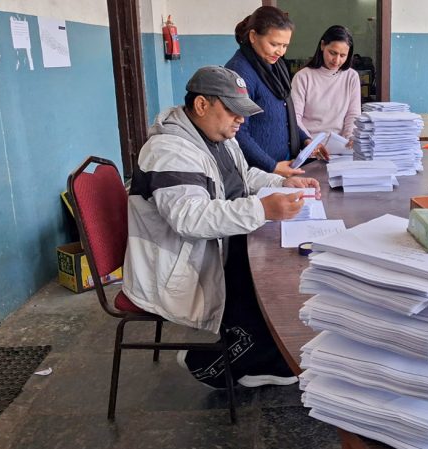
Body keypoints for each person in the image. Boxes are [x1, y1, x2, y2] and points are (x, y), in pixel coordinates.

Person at [123, 65, 320, 388]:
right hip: (180, 262)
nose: (241, 121)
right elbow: (190, 218)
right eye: (233, 111)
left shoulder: (218, 135)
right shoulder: (169, 150)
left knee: (275, 269)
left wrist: (284, 182)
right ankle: (212, 363)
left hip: (218, 245)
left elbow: (244, 178)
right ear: (202, 105)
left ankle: (270, 354)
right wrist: (262, 208)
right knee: (266, 284)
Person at [226, 6, 318, 177]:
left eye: (285, 45)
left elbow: (285, 115)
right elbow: (237, 132)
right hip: (259, 173)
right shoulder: (240, 72)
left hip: (283, 165)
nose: (280, 52)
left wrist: (306, 140)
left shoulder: (275, 66)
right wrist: (272, 166)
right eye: (274, 44)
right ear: (253, 36)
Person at [291, 25, 361, 157]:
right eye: (333, 53)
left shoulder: (351, 77)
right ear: (322, 45)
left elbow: (353, 115)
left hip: (340, 150)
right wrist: (309, 142)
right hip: (310, 149)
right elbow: (295, 118)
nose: (337, 60)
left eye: (343, 55)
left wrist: (351, 137)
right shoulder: (303, 77)